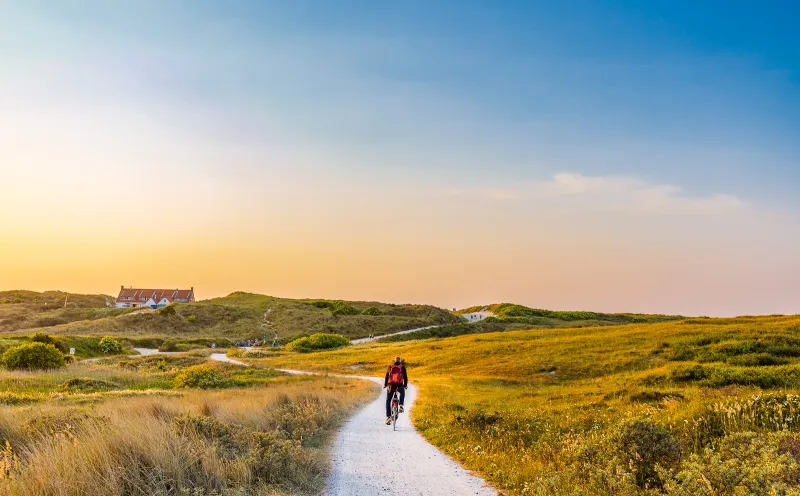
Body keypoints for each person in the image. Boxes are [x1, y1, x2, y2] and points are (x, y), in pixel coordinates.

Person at [384, 356, 408, 425]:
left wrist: (385, 384)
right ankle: (401, 406)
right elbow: (405, 377)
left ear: (394, 361)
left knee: (388, 400)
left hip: (391, 386)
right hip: (400, 385)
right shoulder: (402, 367)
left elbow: (386, 376)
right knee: (402, 393)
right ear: (400, 361)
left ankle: (388, 417)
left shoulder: (390, 367)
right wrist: (405, 385)